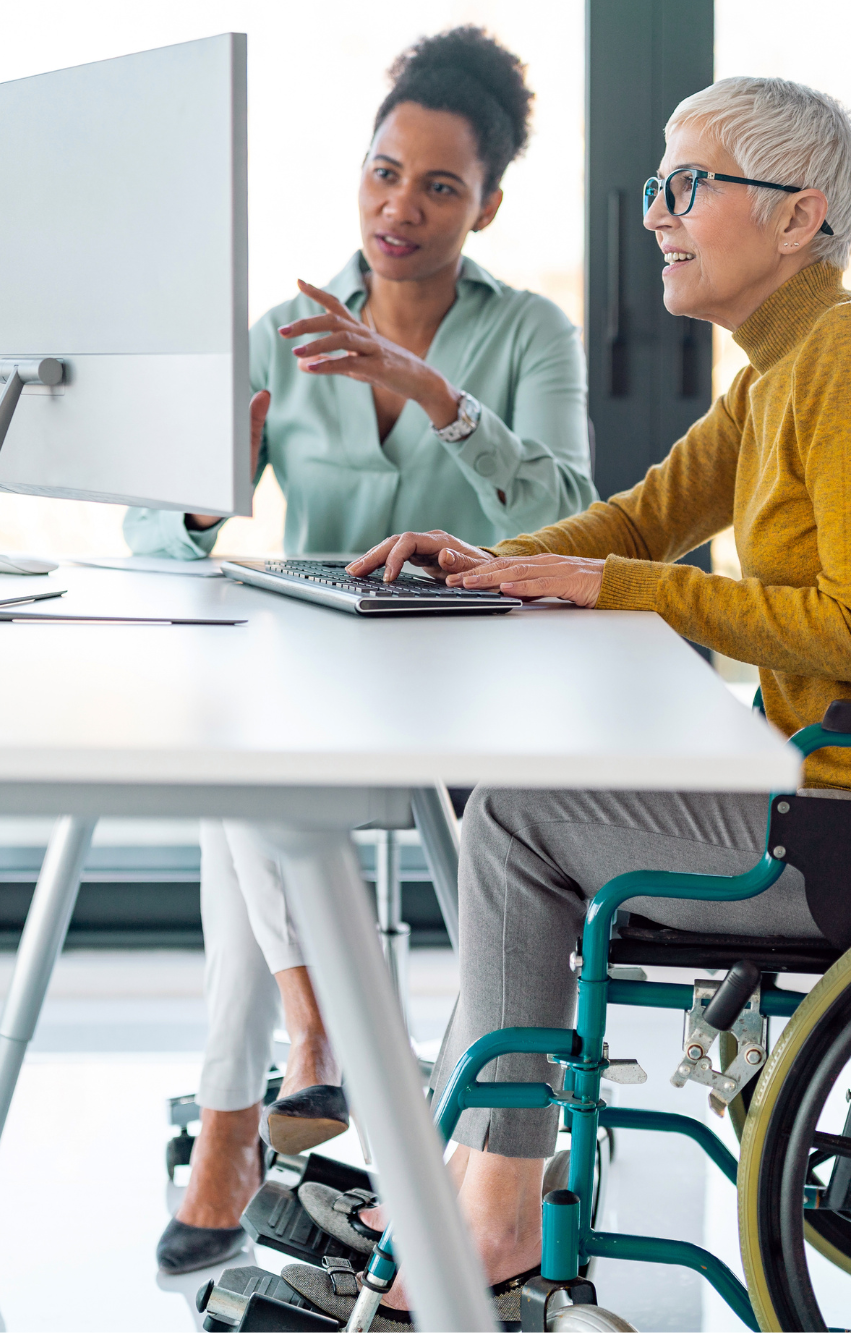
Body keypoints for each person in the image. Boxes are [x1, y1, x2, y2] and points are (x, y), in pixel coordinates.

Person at [319, 75, 851, 1324]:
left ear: (800, 219)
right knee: (515, 799)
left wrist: (609, 584)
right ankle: (469, 1170)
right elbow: (640, 521)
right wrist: (497, 562)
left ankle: (499, 1202)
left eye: (690, 187)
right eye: (657, 189)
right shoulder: (774, 373)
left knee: (515, 817)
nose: (658, 216)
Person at [130, 26, 595, 1277]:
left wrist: (437, 396)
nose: (401, 206)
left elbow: (565, 524)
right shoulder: (279, 328)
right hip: (310, 672)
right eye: (384, 172)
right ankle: (314, 1049)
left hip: (472, 687)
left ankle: (251, 1109)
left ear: (486, 202)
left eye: (439, 185)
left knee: (240, 787)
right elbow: (152, 534)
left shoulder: (528, 336)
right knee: (244, 753)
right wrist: (197, 498)